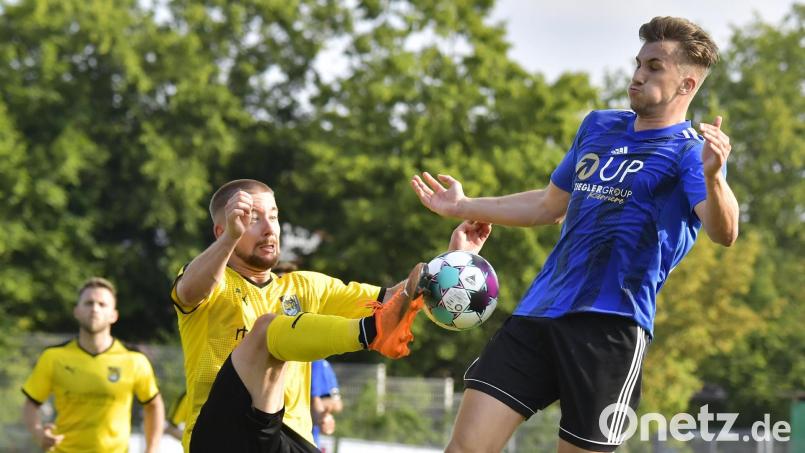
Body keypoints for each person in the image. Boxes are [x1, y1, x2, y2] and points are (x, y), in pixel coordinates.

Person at [411, 16, 739, 453]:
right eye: (639, 62)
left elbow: (725, 230)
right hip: (539, 312)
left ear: (687, 85)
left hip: (611, 328)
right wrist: (463, 205)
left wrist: (715, 177)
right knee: (465, 448)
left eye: (655, 66)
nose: (638, 74)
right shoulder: (599, 126)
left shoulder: (687, 153)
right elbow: (548, 205)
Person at [171, 179, 491, 452]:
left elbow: (396, 298)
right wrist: (230, 238)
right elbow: (189, 291)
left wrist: (454, 262)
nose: (269, 228)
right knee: (268, 330)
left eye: (274, 216)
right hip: (221, 434)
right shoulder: (210, 281)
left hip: (288, 439)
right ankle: (370, 333)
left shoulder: (307, 286)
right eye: (252, 218)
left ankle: (372, 330)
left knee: (275, 330)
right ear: (221, 229)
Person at [21, 277, 165, 453]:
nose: (95, 309)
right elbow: (31, 403)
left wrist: (152, 449)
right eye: (88, 303)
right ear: (77, 311)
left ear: (114, 315)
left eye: (102, 304)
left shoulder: (133, 359)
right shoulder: (54, 357)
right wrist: (38, 433)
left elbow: (153, 405)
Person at [310, 359, 342, 449]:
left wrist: (323, 415)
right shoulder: (318, 363)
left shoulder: (319, 364)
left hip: (309, 435)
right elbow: (314, 400)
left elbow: (338, 404)